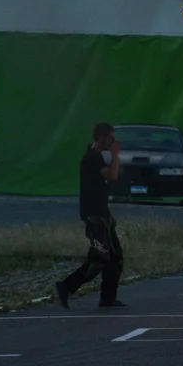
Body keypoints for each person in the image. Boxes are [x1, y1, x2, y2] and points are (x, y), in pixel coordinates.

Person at [53, 123, 128, 309]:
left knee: (115, 256)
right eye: (110, 138)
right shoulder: (92, 158)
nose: (113, 141)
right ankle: (67, 286)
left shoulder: (99, 158)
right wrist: (116, 155)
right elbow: (112, 175)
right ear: (102, 137)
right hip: (94, 216)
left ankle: (108, 297)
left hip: (103, 213)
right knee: (100, 257)